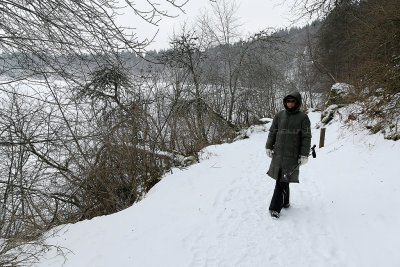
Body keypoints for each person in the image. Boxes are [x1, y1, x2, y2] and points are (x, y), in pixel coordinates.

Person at [265, 92, 312, 218]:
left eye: (293, 101)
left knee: (282, 179)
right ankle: (285, 202)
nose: (290, 103)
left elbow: (306, 137)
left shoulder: (303, 118)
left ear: (297, 102)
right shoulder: (279, 115)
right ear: (285, 102)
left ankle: (275, 208)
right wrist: (269, 146)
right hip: (279, 153)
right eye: (288, 101)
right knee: (283, 179)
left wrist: (304, 154)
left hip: (292, 155)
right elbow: (272, 132)